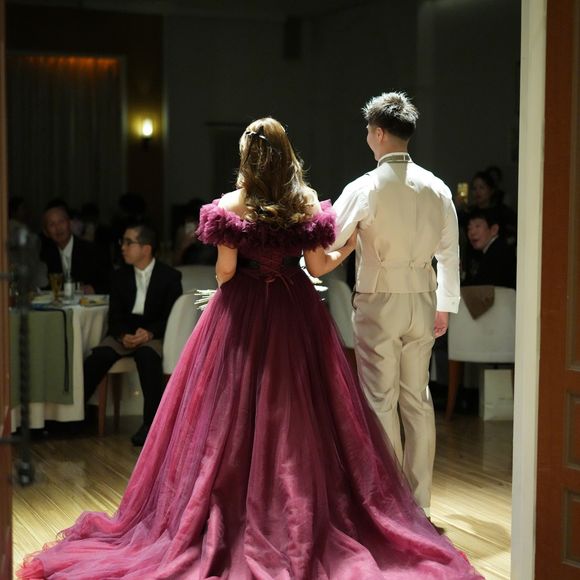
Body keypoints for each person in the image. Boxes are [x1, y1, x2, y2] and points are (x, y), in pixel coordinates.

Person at [18, 118, 481, 579]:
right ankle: (301, 509)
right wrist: (350, 246)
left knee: (227, 414)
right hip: (294, 309)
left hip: (241, 311)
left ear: (247, 157)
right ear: (286, 155)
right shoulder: (304, 200)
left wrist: (234, 286)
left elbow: (224, 272)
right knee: (303, 412)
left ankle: (232, 504)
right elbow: (319, 266)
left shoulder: (231, 204)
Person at [329, 93, 460, 520]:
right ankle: (420, 503)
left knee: (380, 399)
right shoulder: (437, 186)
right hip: (423, 298)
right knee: (417, 399)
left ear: (380, 133)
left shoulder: (365, 187)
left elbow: (330, 238)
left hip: (379, 298)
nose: (368, 136)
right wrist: (445, 306)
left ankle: (390, 505)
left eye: (369, 130)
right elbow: (450, 254)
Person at [83, 223, 182, 446]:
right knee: (98, 357)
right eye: (123, 242)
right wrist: (122, 335)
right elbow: (114, 316)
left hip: (153, 333)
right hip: (125, 332)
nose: (123, 247)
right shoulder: (119, 276)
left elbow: (171, 316)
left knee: (147, 357)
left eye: (129, 243)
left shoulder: (170, 276)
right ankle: (78, 418)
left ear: (146, 248)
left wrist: (150, 333)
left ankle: (151, 425)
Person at [39, 201, 111, 294]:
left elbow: (112, 282)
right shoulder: (47, 255)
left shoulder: (93, 251)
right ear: (46, 232)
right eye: (52, 224)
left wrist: (93, 289)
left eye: (61, 221)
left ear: (70, 223)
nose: (58, 228)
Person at [463, 208, 517, 288]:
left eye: (477, 226)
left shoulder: (498, 253)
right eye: (469, 228)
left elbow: (481, 286)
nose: (472, 232)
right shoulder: (494, 249)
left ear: (494, 230)